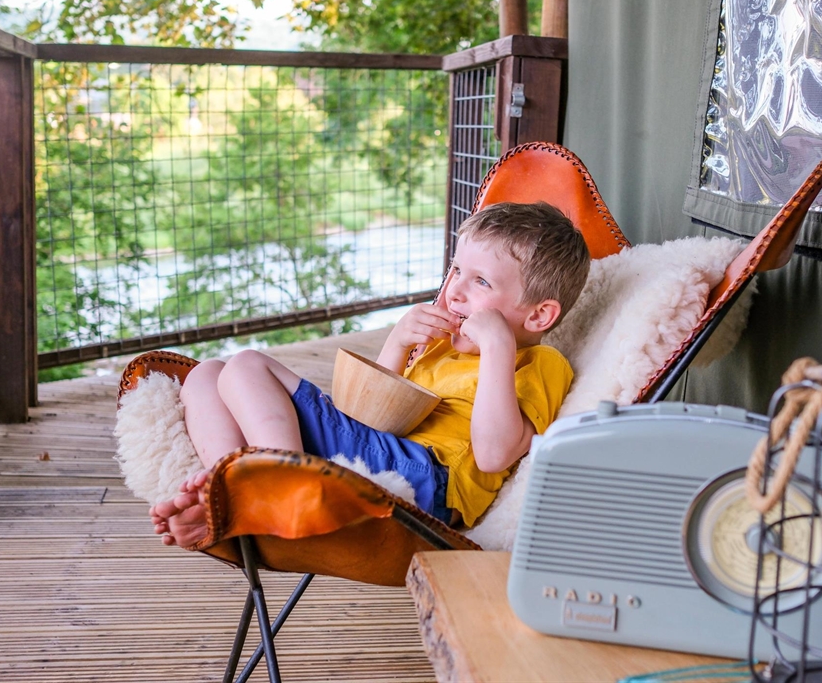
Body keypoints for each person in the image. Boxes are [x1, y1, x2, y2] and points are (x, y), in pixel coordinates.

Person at [150, 201, 591, 547]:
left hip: (423, 477)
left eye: (481, 282)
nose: (454, 290)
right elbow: (372, 417)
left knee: (247, 364)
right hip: (379, 450)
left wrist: (497, 346)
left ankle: (280, 484)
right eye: (456, 270)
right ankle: (226, 490)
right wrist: (398, 343)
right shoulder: (440, 344)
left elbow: (494, 456)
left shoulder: (539, 364)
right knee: (206, 373)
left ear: (538, 316)